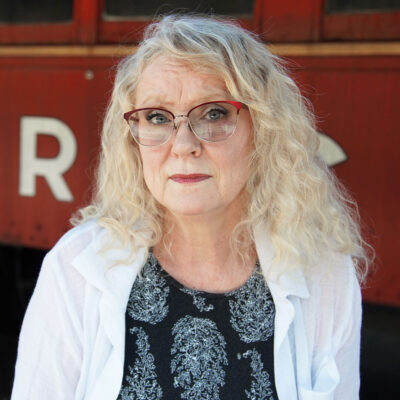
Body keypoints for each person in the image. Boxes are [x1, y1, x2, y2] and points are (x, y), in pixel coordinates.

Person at [11, 14, 370, 400]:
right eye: (156, 117)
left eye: (214, 113)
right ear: (132, 140)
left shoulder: (326, 275)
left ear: (264, 130)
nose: (183, 145)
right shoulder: (76, 269)